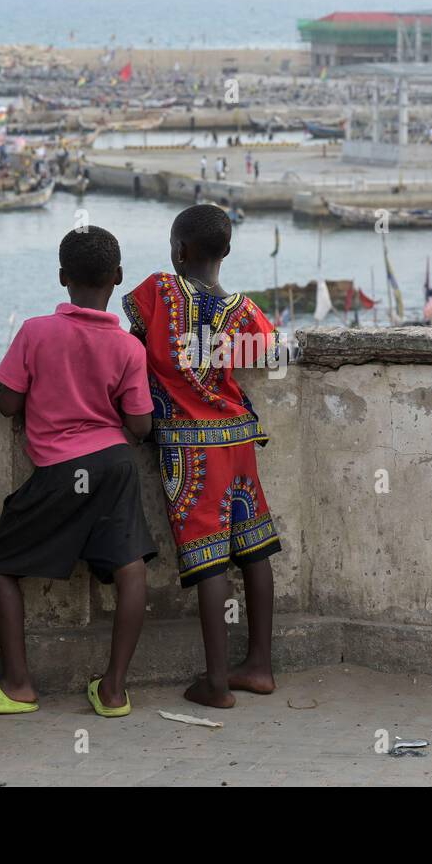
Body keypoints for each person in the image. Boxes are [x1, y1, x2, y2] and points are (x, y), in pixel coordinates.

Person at [0, 226, 155, 718]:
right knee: (130, 570)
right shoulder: (130, 347)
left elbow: (7, 405)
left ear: (62, 277)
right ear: (119, 278)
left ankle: (18, 683)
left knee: (0, 566)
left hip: (63, 467)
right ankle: (113, 691)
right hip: (117, 463)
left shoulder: (36, 331)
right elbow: (140, 425)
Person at [123, 205, 282, 709]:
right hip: (237, 437)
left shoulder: (159, 293)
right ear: (227, 252)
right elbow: (267, 349)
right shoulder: (245, 311)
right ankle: (259, 665)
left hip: (189, 446)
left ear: (177, 250)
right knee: (254, 547)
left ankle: (216, 682)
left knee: (208, 556)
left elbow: (130, 351)